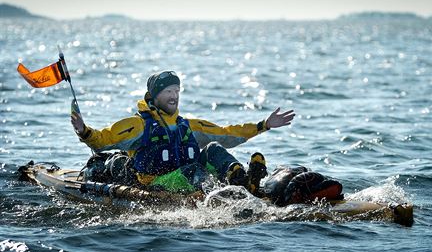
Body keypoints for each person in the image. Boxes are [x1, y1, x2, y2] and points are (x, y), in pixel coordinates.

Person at [71, 70, 295, 193]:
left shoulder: (187, 125)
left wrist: (263, 125)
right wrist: (84, 131)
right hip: (157, 181)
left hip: (191, 177)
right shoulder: (138, 125)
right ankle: (224, 195)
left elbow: (227, 133)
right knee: (192, 171)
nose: (174, 95)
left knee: (214, 148)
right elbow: (103, 141)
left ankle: (243, 180)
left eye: (177, 90)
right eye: (168, 90)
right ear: (155, 95)